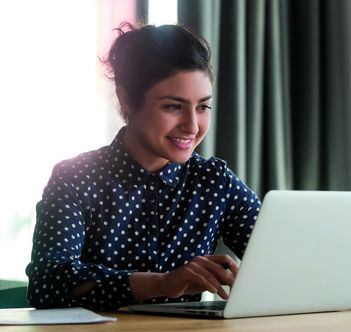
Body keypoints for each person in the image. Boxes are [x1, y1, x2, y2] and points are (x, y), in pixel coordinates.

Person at [26, 22, 261, 311]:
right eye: (173, 106)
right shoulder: (75, 178)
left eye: (202, 107)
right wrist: (163, 283)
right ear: (127, 99)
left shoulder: (214, 181)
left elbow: (283, 257)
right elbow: (47, 284)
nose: (192, 126)